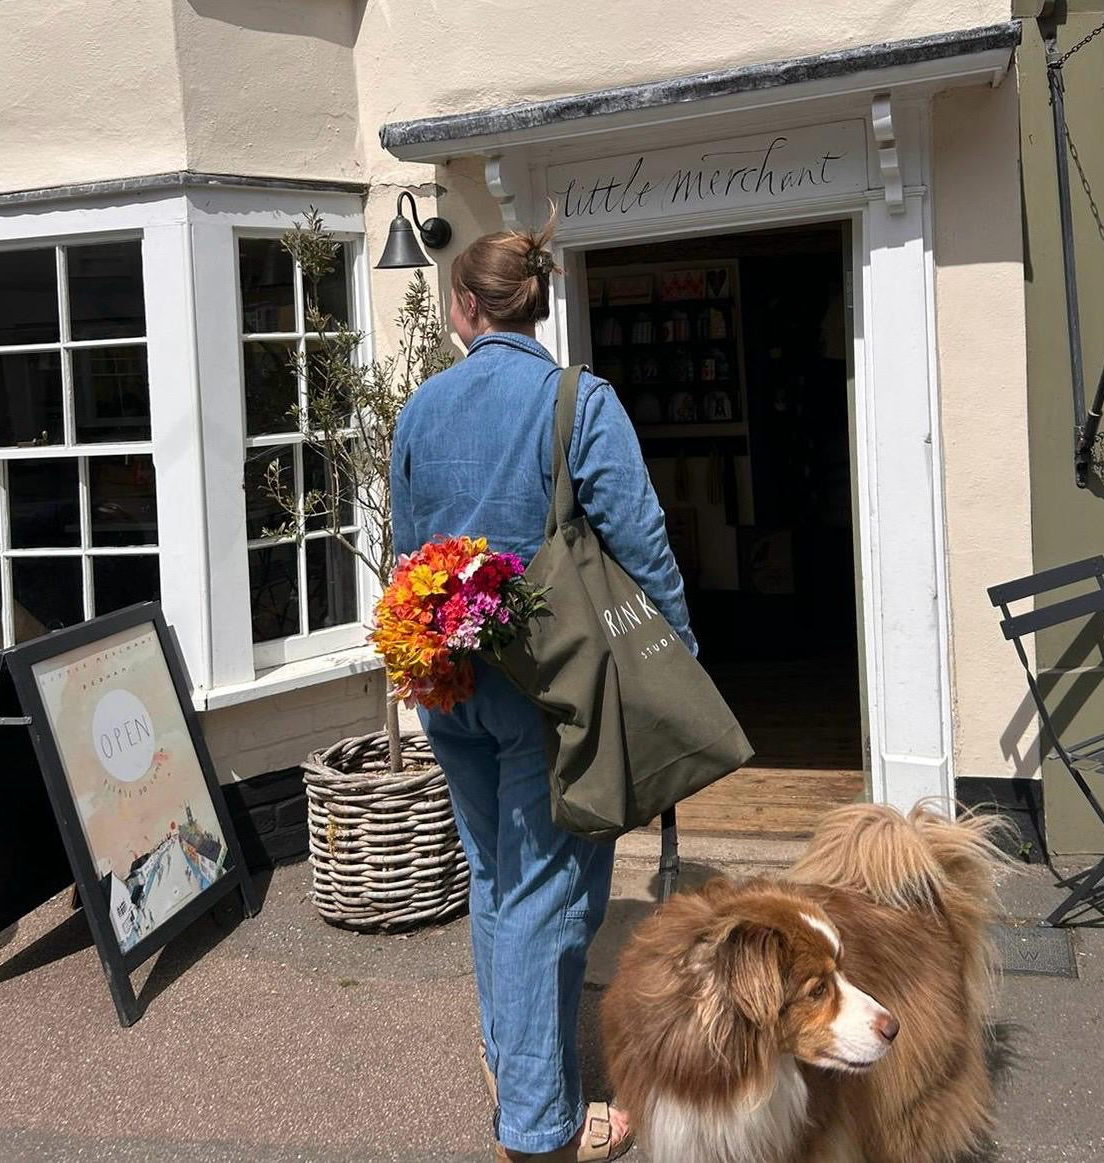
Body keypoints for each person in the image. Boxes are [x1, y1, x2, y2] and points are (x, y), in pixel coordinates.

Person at [390, 214, 695, 1162]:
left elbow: (406, 550)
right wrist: (677, 659)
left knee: (492, 877)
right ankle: (537, 1126)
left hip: (447, 680)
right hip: (549, 687)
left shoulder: (420, 409)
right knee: (545, 897)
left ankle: (510, 1065)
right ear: (538, 303)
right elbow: (640, 542)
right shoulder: (579, 401)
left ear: (463, 307)